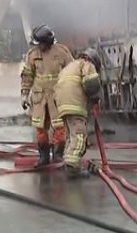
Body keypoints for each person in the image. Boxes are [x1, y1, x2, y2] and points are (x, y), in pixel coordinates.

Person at [20, 25, 73, 166]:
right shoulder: (33, 55)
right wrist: (24, 94)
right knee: (40, 128)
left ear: (47, 42)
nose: (39, 47)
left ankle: (58, 156)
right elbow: (27, 75)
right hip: (40, 99)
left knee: (59, 128)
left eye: (41, 44)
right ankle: (43, 157)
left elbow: (72, 72)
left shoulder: (62, 52)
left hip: (57, 98)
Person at [54, 48, 102, 178]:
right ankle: (73, 167)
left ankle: (68, 161)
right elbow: (91, 84)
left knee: (71, 136)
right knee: (79, 135)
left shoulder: (69, 67)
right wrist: (95, 98)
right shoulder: (87, 65)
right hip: (75, 105)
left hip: (62, 105)